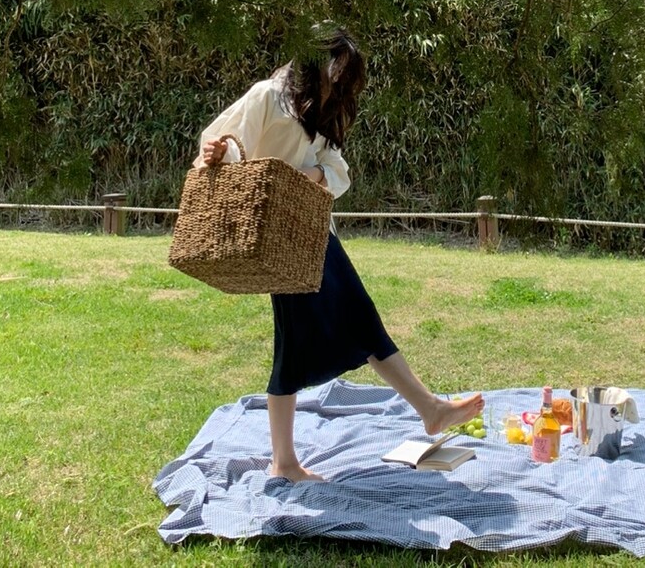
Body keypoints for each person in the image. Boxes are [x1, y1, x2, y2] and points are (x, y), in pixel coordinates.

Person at [197, 25, 484, 482]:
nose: (338, 77)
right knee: (313, 333)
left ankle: (424, 410)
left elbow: (338, 171)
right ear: (315, 60)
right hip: (275, 234)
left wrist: (309, 177)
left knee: (345, 319)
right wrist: (220, 153)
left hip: (312, 229)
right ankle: (290, 460)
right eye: (335, 65)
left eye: (345, 71)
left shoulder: (319, 113)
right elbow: (231, 145)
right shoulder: (268, 96)